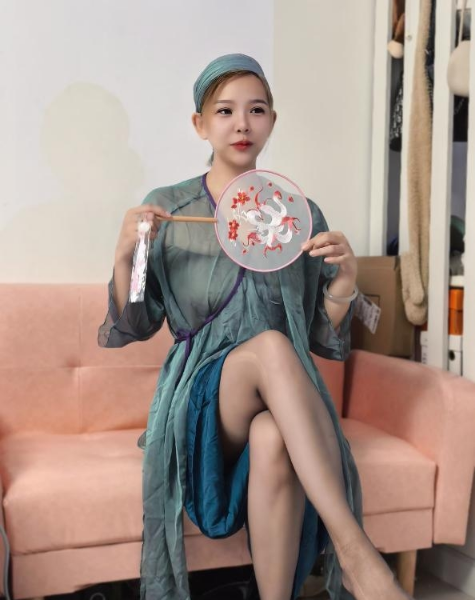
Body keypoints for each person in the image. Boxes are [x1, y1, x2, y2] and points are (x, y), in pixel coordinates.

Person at [99, 54, 412, 600]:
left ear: (272, 120)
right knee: (269, 345)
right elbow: (135, 321)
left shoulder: (298, 213)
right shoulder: (168, 207)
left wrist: (345, 280)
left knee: (272, 435)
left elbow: (319, 336)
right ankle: (355, 554)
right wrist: (126, 255)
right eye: (225, 111)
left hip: (281, 402)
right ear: (200, 124)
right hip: (201, 400)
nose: (242, 123)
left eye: (257, 110)